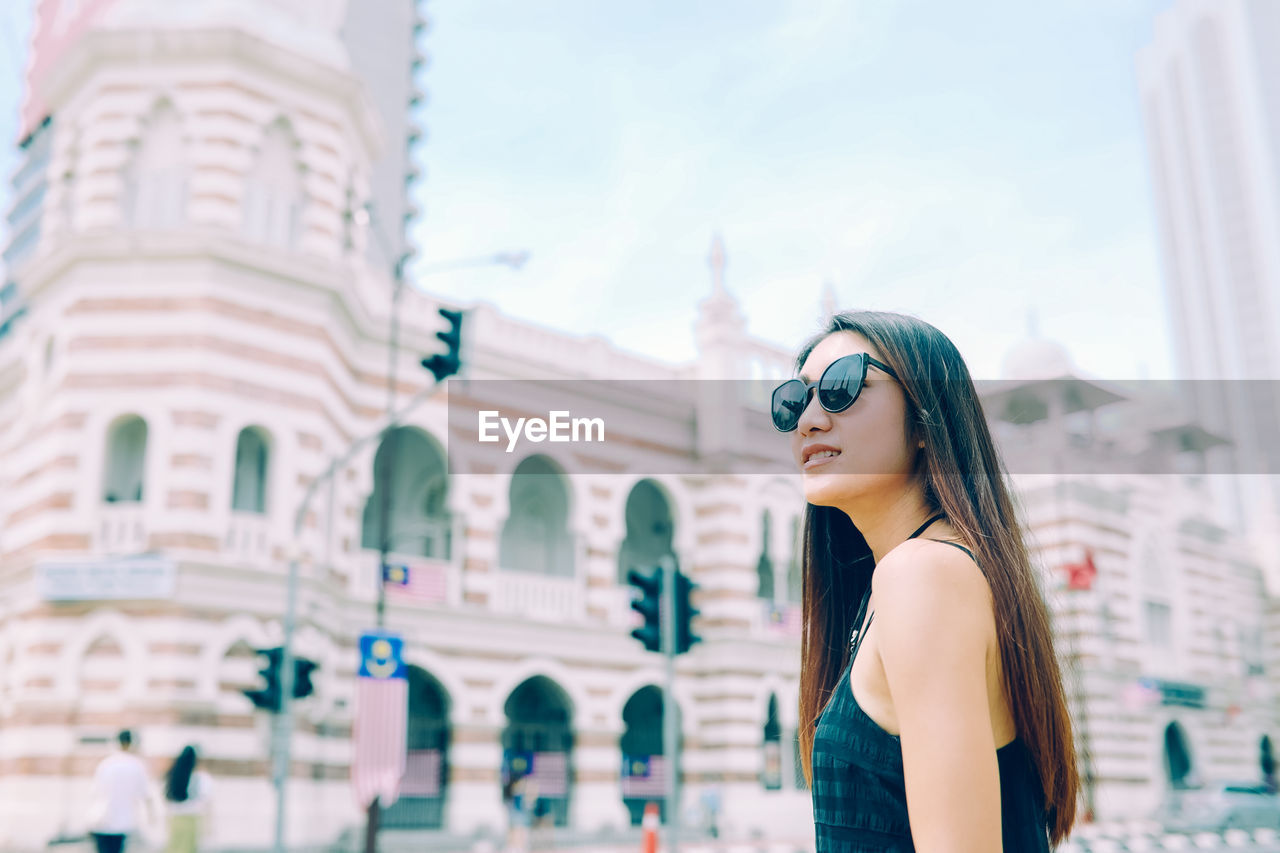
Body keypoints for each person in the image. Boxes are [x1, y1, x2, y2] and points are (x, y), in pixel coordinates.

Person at [777, 311, 1080, 852]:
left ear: (924, 420)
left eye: (842, 387)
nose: (810, 420)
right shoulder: (911, 578)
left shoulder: (922, 573)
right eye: (794, 401)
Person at [88, 729, 159, 853]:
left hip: (101, 819)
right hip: (121, 822)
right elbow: (146, 794)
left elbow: (95, 792)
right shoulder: (137, 765)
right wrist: (151, 815)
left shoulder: (106, 764)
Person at [163, 745, 213, 853]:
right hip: (191, 818)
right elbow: (206, 801)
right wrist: (209, 825)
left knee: (173, 848)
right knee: (188, 848)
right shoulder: (201, 777)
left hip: (174, 818)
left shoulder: (174, 775)